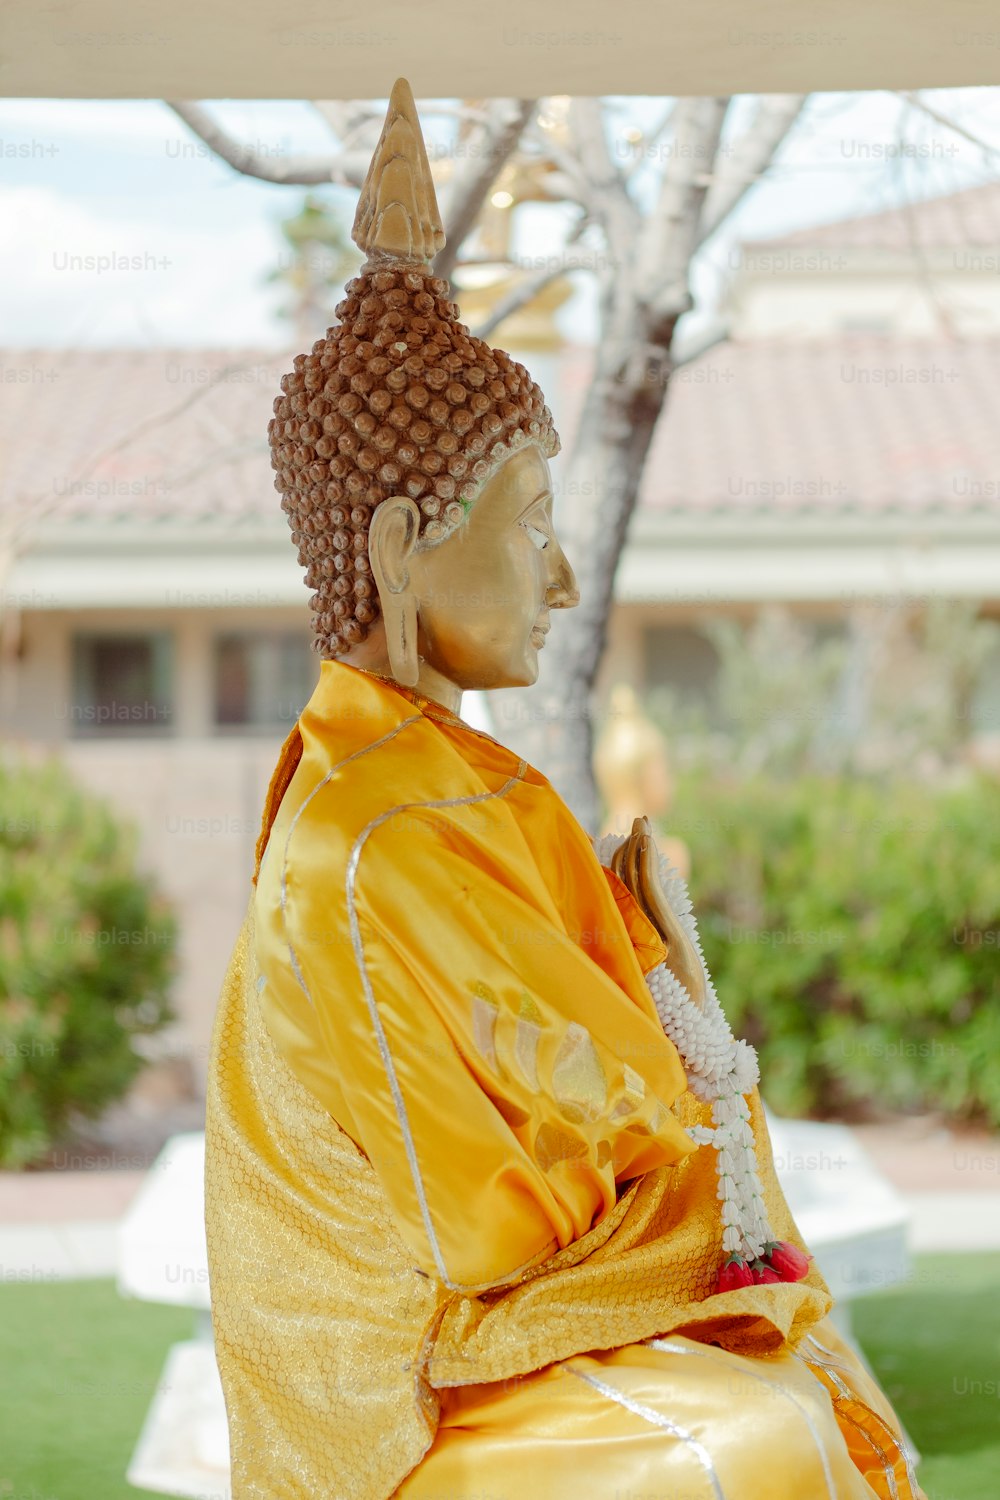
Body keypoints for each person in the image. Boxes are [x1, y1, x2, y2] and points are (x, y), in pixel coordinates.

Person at [205, 79, 924, 1500]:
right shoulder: (372, 834)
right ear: (403, 543)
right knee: (759, 1448)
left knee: (801, 1393)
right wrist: (685, 1009)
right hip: (412, 1396)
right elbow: (516, 1223)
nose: (564, 581)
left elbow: (608, 1089)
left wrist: (655, 955)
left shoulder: (454, 783)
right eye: (530, 525)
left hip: (497, 1345)